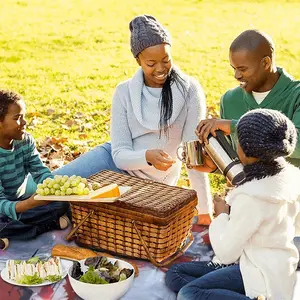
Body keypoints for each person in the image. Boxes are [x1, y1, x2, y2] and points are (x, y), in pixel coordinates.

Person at [54, 15, 212, 224]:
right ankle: (13, 211)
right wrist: (147, 156)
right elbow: (119, 155)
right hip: (112, 163)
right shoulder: (125, 92)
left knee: (67, 204)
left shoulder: (190, 90)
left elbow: (193, 156)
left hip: (149, 186)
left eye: (166, 60)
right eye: (151, 63)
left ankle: (56, 218)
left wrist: (204, 212)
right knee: (49, 190)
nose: (160, 69)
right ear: (138, 60)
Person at [166, 108, 300, 300]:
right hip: (276, 267)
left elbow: (226, 252)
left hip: (260, 275)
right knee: (176, 275)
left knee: (188, 293)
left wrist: (222, 215)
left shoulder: (251, 197)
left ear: (244, 150)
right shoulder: (292, 177)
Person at [195, 29, 300, 169]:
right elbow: (237, 161)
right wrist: (213, 165)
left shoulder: (296, 95)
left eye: (242, 69)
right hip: (248, 189)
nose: (236, 75)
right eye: (234, 68)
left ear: (266, 63)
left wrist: (235, 127)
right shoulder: (230, 100)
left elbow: (297, 145)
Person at [0, 90, 70, 242]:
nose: (24, 122)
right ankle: (45, 226)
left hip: (22, 202)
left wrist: (54, 189)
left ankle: (14, 232)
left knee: (64, 203)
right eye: (18, 118)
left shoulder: (25, 141)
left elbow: (40, 171)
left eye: (24, 116)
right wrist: (28, 204)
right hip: (4, 208)